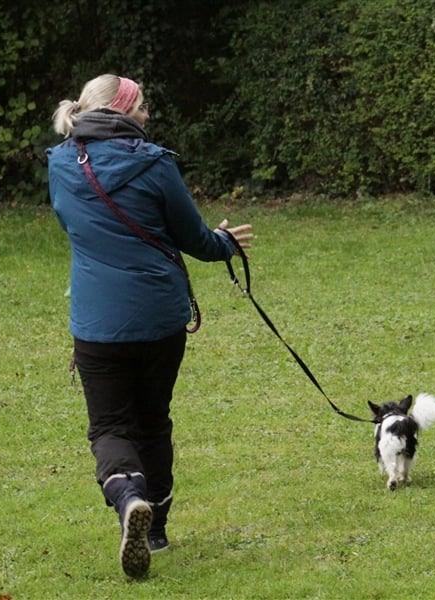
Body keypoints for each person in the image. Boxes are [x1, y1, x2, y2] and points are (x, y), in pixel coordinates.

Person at [46, 74, 253, 579]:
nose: (148, 115)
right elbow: (195, 239)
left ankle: (127, 497)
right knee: (153, 421)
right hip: (160, 319)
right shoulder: (155, 164)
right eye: (141, 106)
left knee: (111, 426)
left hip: (96, 325)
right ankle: (154, 528)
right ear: (120, 112)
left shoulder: (59, 164)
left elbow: (73, 225)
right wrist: (227, 242)